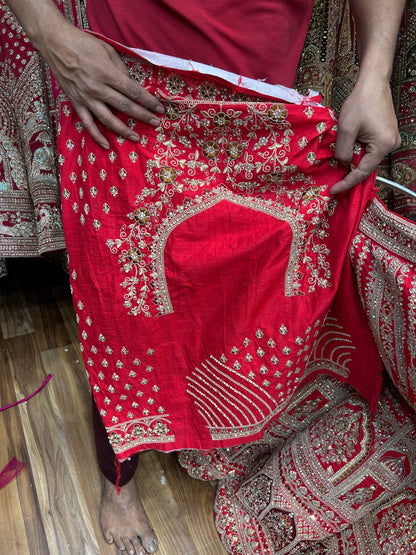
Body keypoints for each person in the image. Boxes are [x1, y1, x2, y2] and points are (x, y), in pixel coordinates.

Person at [4, 2, 406, 555]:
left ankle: (213, 422)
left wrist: (375, 70)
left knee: (244, 289)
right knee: (126, 307)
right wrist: (49, 33)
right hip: (125, 89)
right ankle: (118, 482)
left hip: (261, 101)